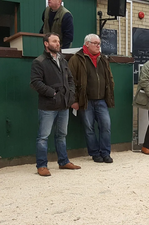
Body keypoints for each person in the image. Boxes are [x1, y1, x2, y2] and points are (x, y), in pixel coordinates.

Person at [30, 32, 80, 176]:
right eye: (54, 41)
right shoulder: (39, 62)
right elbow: (35, 83)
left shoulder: (63, 60)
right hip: (48, 106)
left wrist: (70, 93)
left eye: (58, 41)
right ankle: (41, 165)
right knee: (43, 137)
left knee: (62, 135)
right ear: (46, 44)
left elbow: (70, 79)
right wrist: (52, 93)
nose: (58, 43)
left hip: (64, 105)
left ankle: (63, 162)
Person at [68, 34, 115, 163]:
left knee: (105, 126)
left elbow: (109, 78)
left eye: (99, 43)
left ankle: (105, 153)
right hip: (85, 100)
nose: (98, 46)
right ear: (87, 44)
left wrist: (109, 94)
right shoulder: (76, 59)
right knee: (89, 129)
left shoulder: (103, 59)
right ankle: (95, 153)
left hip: (101, 100)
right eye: (95, 43)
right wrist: (74, 100)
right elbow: (70, 81)